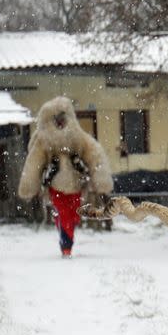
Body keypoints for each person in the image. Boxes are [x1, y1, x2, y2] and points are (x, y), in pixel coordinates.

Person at [18, 97, 114, 257]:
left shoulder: (79, 138)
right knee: (64, 215)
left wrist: (101, 180)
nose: (60, 124)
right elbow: (34, 162)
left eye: (62, 119)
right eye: (57, 120)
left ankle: (65, 238)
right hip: (55, 186)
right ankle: (66, 246)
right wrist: (29, 185)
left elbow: (94, 155)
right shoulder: (44, 140)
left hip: (76, 186)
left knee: (72, 216)